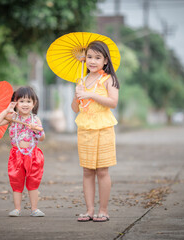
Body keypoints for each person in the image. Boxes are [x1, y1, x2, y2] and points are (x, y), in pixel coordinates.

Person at [71, 41, 119, 222]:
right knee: (87, 171)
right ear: (85, 59)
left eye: (97, 58)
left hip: (104, 128)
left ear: (105, 61)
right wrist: (78, 95)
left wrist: (91, 94)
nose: (92, 61)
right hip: (85, 129)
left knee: (102, 171)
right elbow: (75, 109)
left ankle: (103, 210)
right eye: (89, 57)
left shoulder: (108, 80)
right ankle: (89, 210)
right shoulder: (81, 81)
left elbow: (113, 103)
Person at [0, 86, 46, 217]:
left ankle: (34, 209)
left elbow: (43, 137)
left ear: (34, 104)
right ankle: (17, 209)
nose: (25, 104)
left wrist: (37, 130)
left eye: (28, 101)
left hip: (33, 155)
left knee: (33, 182)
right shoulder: (12, 117)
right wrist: (7, 110)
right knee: (16, 181)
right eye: (21, 101)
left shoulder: (35, 119)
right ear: (15, 103)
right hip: (16, 155)